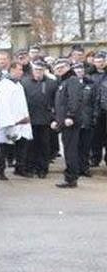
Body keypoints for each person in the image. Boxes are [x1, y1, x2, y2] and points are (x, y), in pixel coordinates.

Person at [0, 61, 31, 180]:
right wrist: (10, 122)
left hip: (22, 121)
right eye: (19, 70)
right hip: (9, 122)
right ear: (12, 70)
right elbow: (3, 105)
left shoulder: (18, 85)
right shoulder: (4, 85)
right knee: (4, 148)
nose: (21, 72)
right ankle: (1, 171)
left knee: (22, 145)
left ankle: (20, 168)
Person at [51, 58, 84, 188]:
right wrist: (56, 119)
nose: (59, 70)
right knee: (68, 150)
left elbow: (74, 100)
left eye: (62, 68)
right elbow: (59, 104)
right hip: (63, 122)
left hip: (70, 122)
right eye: (57, 69)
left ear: (68, 67)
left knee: (70, 150)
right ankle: (70, 176)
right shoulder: (63, 81)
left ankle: (71, 178)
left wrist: (71, 116)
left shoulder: (72, 81)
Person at [21, 60, 54, 178]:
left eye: (40, 70)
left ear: (44, 70)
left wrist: (53, 117)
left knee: (44, 146)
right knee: (29, 146)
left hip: (45, 120)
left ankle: (43, 169)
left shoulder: (51, 83)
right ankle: (30, 167)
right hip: (29, 119)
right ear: (32, 70)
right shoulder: (25, 83)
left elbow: (55, 101)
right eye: (36, 70)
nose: (38, 72)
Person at [88, 51, 107, 168]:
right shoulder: (89, 75)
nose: (99, 64)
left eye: (101, 61)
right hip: (94, 110)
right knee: (95, 137)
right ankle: (95, 158)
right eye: (97, 62)